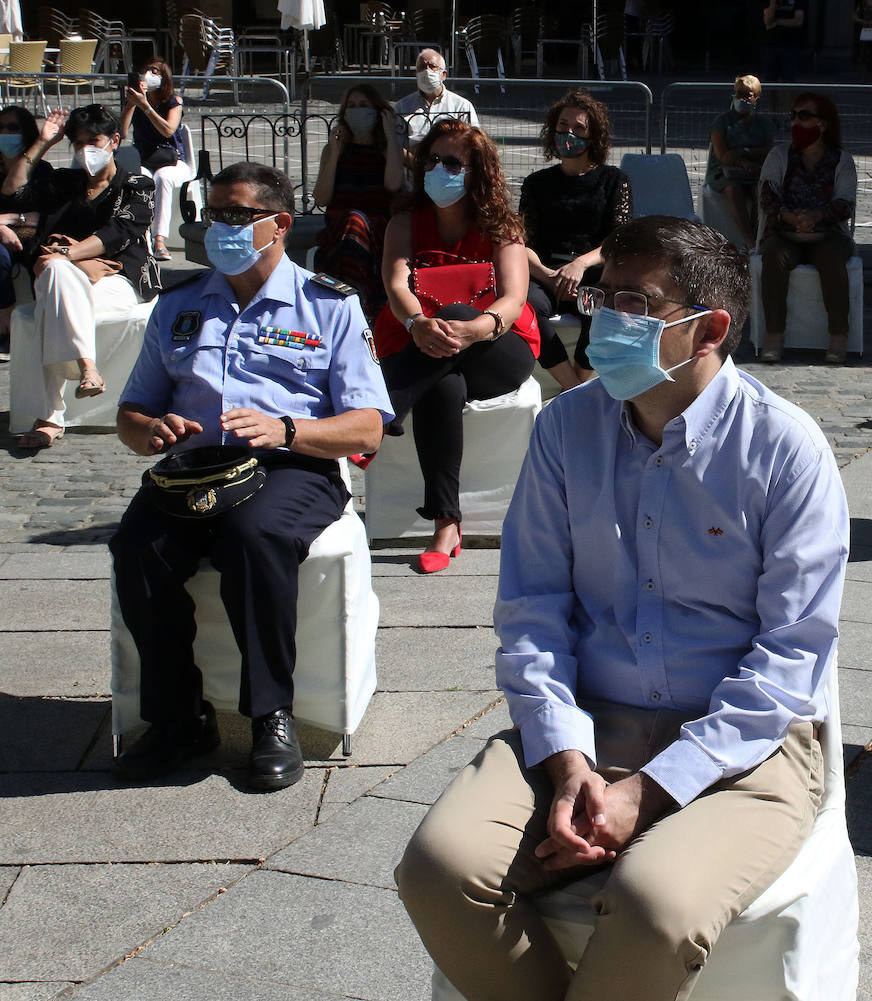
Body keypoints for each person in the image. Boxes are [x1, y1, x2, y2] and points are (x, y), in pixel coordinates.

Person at [394, 215, 849, 1000]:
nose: (605, 321)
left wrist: (649, 790)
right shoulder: (564, 428)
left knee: (652, 905)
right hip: (591, 719)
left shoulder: (784, 448)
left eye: (635, 304)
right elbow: (532, 611)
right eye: (602, 299)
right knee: (438, 868)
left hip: (744, 746)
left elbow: (790, 657)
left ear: (709, 329)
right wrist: (568, 759)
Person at [108, 162, 393, 790]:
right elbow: (131, 413)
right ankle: (180, 719)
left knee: (253, 535)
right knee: (138, 546)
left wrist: (286, 429)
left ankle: (270, 716)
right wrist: (150, 429)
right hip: (195, 466)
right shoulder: (179, 306)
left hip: (293, 464)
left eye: (237, 215)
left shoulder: (329, 305)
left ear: (279, 224)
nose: (221, 228)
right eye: (214, 215)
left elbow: (368, 426)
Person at [374, 119, 540, 573]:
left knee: (455, 314)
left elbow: (514, 299)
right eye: (432, 160)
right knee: (443, 385)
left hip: (498, 349)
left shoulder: (502, 227)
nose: (438, 170)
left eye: (452, 163)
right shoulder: (406, 222)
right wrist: (416, 323)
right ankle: (446, 524)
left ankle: (383, 409)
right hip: (425, 344)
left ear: (476, 172)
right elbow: (395, 284)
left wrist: (471, 329)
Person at [0, 105, 159, 450]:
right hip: (65, 280)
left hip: (118, 281)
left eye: (94, 141)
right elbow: (13, 190)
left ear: (113, 141)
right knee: (58, 277)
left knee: (53, 292)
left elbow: (120, 232)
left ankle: (49, 417)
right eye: (78, 143)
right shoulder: (64, 183)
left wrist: (67, 254)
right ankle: (88, 367)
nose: (86, 150)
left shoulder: (136, 185)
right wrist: (43, 142)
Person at [520, 89, 632, 390]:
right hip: (546, 274)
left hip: (592, 272)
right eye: (563, 125)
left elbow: (619, 240)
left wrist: (580, 265)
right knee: (523, 305)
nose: (569, 133)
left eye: (579, 128)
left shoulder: (615, 181)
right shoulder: (536, 183)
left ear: (594, 135)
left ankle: (579, 382)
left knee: (602, 306)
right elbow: (521, 244)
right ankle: (571, 387)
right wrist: (548, 275)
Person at [757, 92, 857, 364]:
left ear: (822, 123)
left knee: (831, 258)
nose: (795, 123)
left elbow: (845, 203)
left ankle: (838, 334)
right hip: (786, 231)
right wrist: (790, 217)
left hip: (828, 233)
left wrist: (817, 216)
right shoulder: (780, 156)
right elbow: (767, 194)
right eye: (792, 116)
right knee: (774, 256)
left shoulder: (841, 160)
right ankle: (774, 333)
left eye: (803, 116)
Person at [312, 84, 405, 320]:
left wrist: (391, 138)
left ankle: (350, 305)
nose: (357, 111)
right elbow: (321, 197)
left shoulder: (388, 150)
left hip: (378, 230)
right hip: (339, 229)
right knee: (352, 223)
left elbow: (393, 184)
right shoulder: (333, 151)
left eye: (363, 105)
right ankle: (357, 305)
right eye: (351, 106)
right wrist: (335, 152)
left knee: (356, 223)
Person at [120, 58, 191, 263]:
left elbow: (168, 130)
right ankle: (142, 237)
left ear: (164, 78)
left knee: (163, 178)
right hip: (145, 158)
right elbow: (122, 132)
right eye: (147, 70)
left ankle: (159, 239)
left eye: (156, 71)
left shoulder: (173, 101)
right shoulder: (137, 100)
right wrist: (132, 104)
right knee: (139, 179)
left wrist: (146, 108)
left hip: (172, 159)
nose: (150, 74)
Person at [0, 105, 50, 361]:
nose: (5, 133)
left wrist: (11, 219)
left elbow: (40, 217)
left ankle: (39, 326)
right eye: (1, 128)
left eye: (13, 128)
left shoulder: (42, 171)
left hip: (30, 238)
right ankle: (5, 320)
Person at [704, 74, 775, 251]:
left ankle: (760, 237)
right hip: (723, 173)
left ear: (756, 98)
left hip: (754, 172)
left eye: (747, 95)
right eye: (738, 93)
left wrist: (742, 152)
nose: (741, 98)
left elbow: (769, 151)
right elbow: (723, 157)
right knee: (734, 190)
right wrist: (746, 161)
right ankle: (749, 241)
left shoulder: (764, 124)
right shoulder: (722, 122)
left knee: (761, 192)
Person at [393, 49, 481, 149]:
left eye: (432, 66)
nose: (427, 71)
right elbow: (395, 144)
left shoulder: (462, 106)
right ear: (416, 74)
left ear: (443, 75)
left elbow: (474, 143)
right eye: (422, 67)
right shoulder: (401, 107)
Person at [762, 0, 807, 82]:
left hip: (790, 45)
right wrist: (773, 3)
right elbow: (768, 22)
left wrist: (777, 22)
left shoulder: (796, 2)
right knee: (770, 79)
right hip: (771, 44)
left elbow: (798, 21)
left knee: (789, 78)